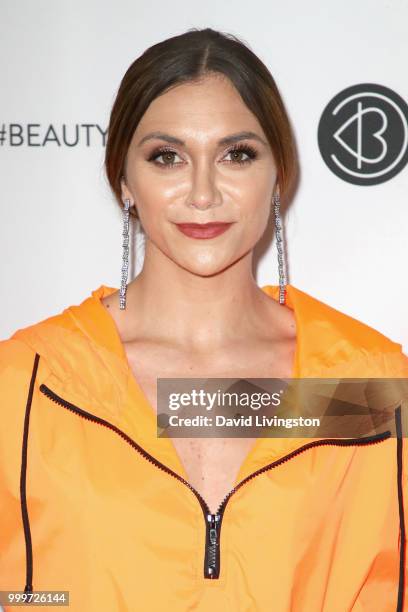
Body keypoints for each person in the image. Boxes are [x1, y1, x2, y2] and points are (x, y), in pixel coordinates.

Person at [0, 27, 407, 612]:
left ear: (278, 174)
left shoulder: (368, 382)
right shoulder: (31, 382)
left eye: (237, 154)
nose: (202, 192)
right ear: (124, 181)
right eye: (167, 157)